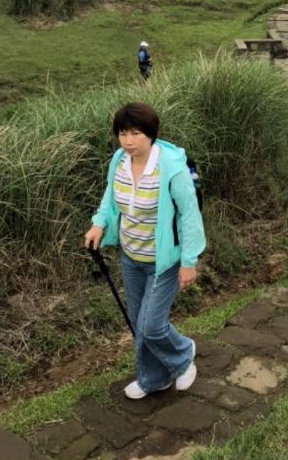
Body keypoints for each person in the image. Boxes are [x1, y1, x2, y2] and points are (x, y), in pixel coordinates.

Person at [84, 102, 206, 400]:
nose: (128, 141)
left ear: (150, 134)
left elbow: (190, 216)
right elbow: (109, 197)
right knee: (139, 323)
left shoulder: (171, 169)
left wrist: (189, 262)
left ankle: (182, 354)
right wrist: (99, 224)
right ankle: (154, 378)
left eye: (136, 133)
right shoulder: (119, 161)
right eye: (122, 133)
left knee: (151, 327)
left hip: (163, 261)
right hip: (131, 255)